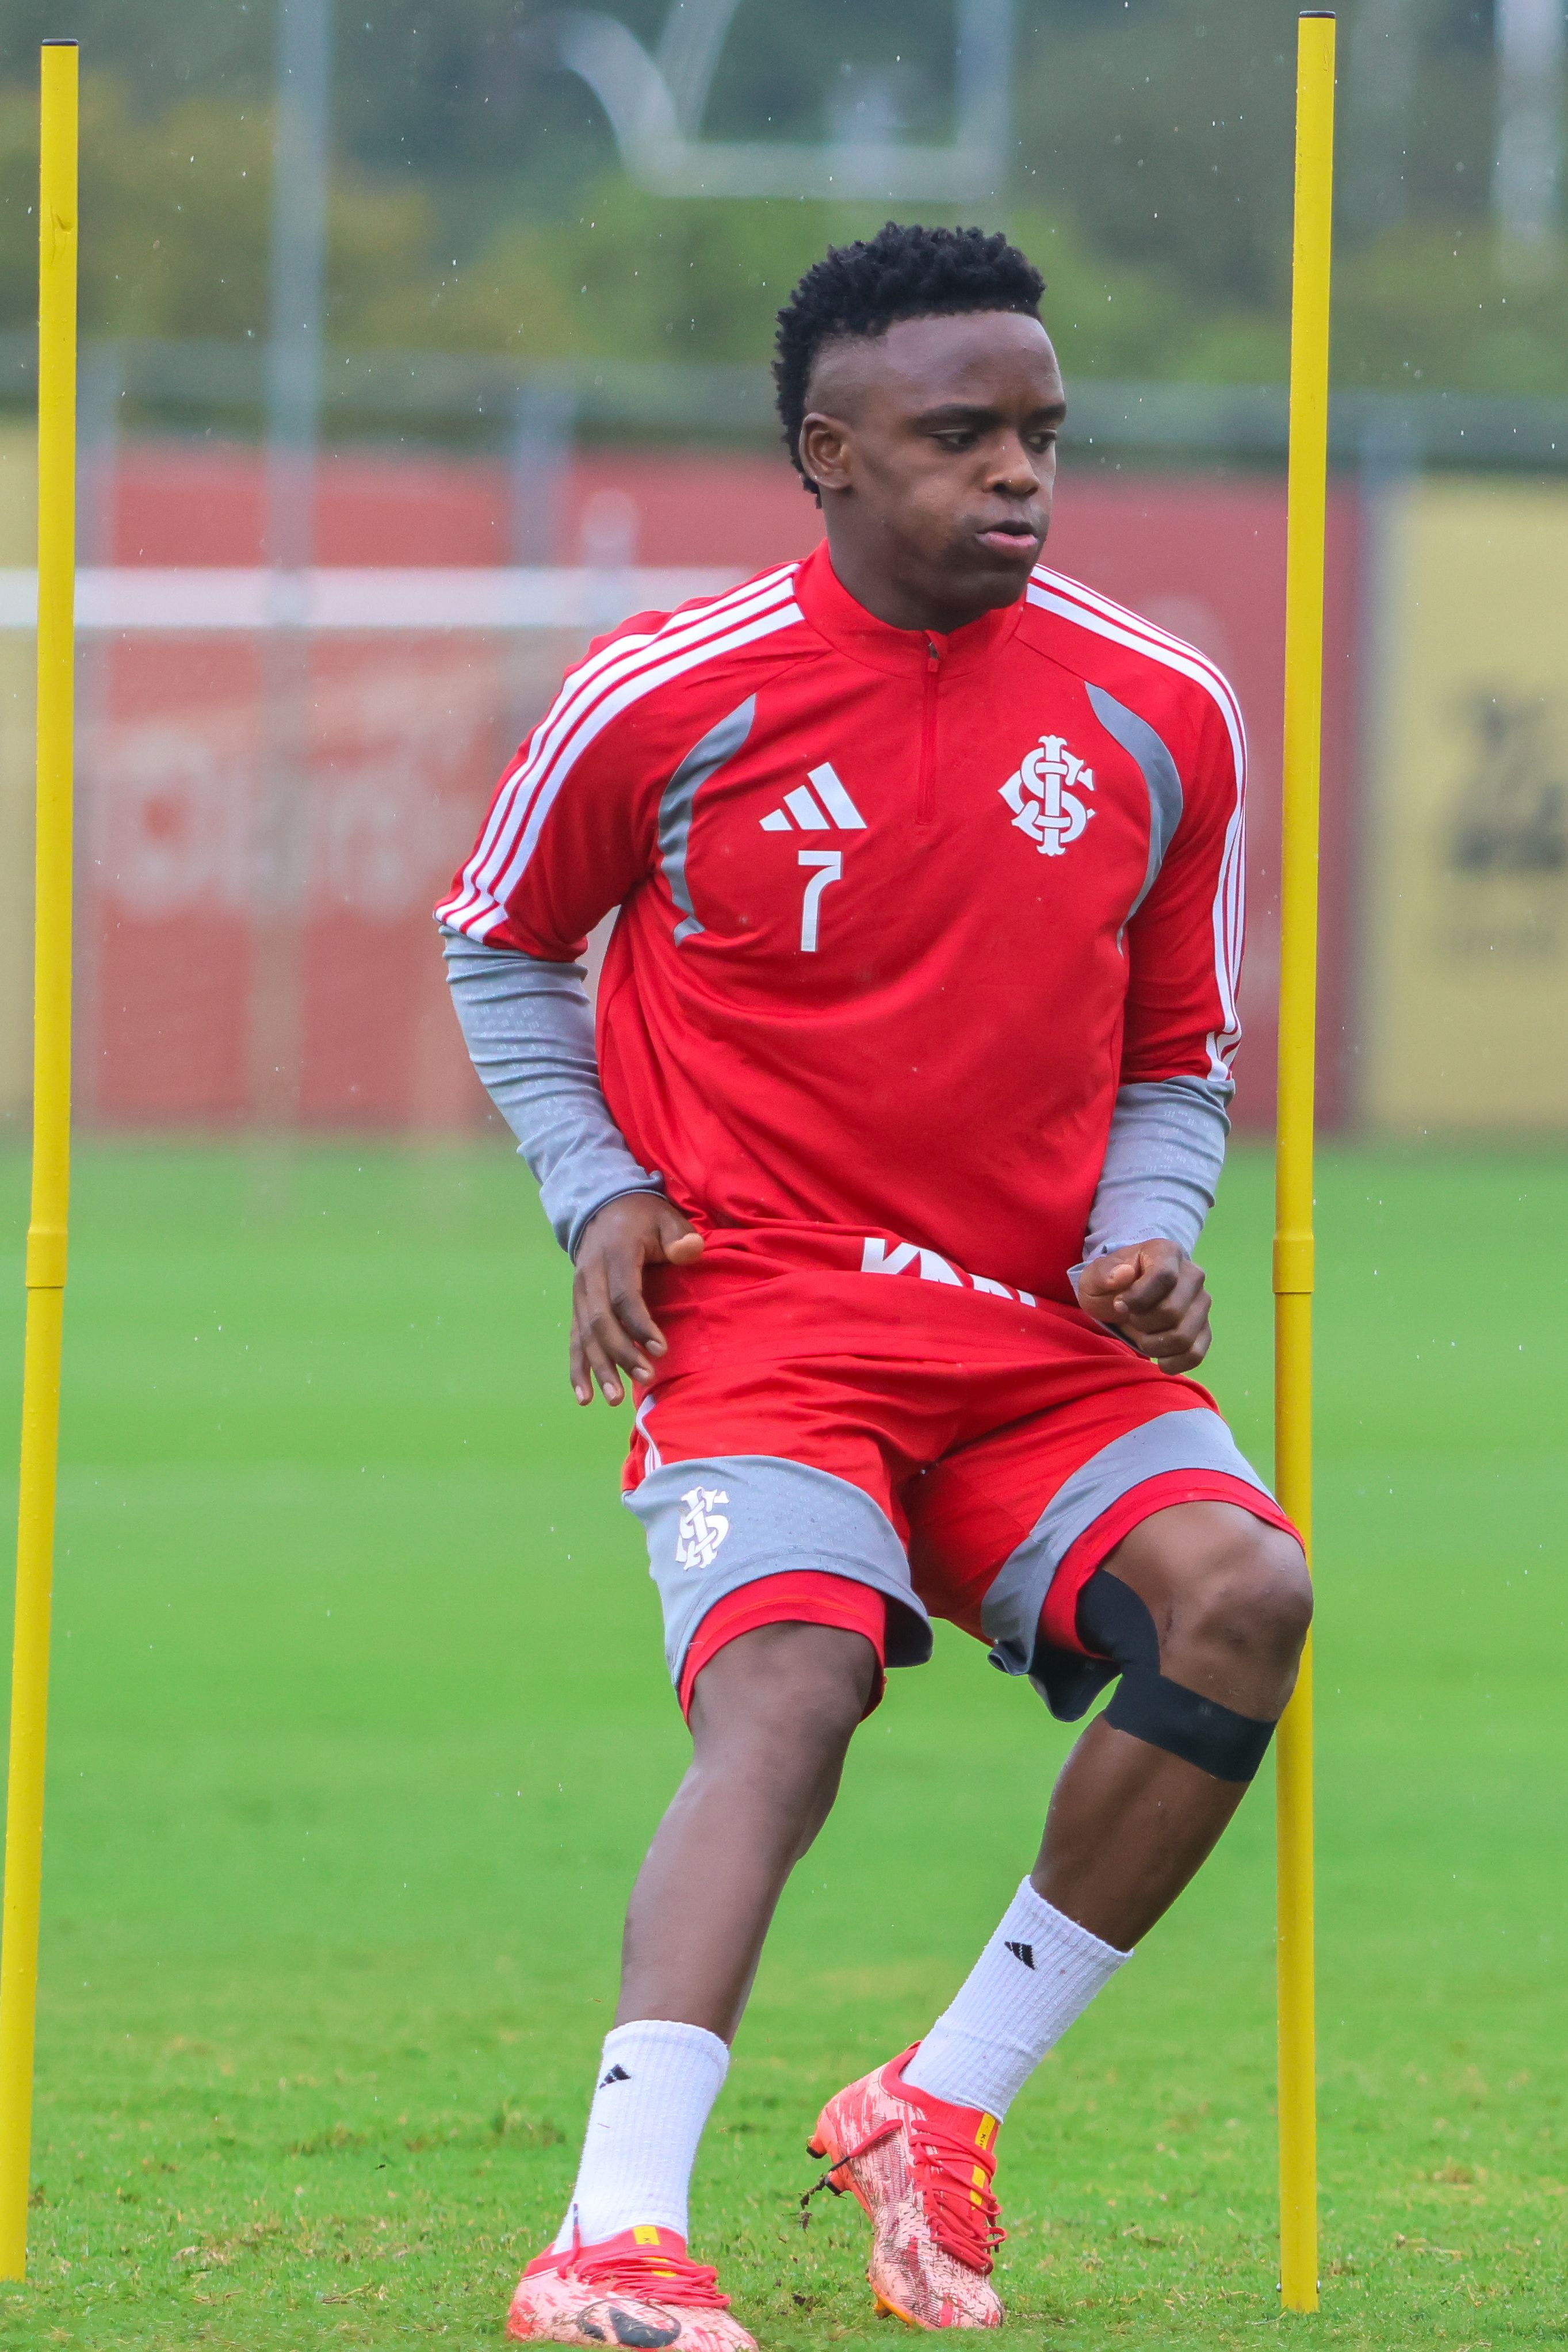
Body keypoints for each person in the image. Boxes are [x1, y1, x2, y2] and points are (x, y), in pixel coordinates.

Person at [437, 222, 1311, 2347]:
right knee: (796, 1683)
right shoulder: (663, 693)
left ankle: (941, 2098)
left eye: (1044, 435)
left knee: (1247, 1595)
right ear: (829, 454)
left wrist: (1152, 1228)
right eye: (961, 434)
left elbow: (1178, 1052)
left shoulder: (1163, 705)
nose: (1018, 472)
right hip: (766, 1314)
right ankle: (610, 2233)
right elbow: (501, 939)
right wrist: (596, 1187)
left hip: (1039, 1340)